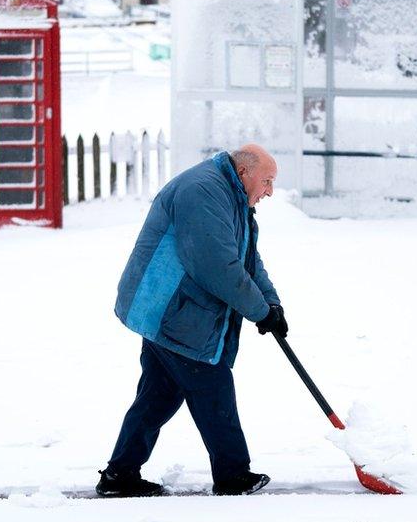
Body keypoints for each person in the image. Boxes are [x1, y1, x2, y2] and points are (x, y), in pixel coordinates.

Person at [97, 144, 289, 497]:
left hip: (175, 308)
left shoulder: (230, 195)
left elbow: (246, 257)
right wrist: (259, 311)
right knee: (211, 386)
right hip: (170, 308)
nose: (269, 192)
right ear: (244, 173)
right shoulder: (203, 192)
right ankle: (233, 474)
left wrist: (271, 305)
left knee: (159, 395)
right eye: (267, 182)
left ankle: (120, 474)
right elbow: (216, 266)